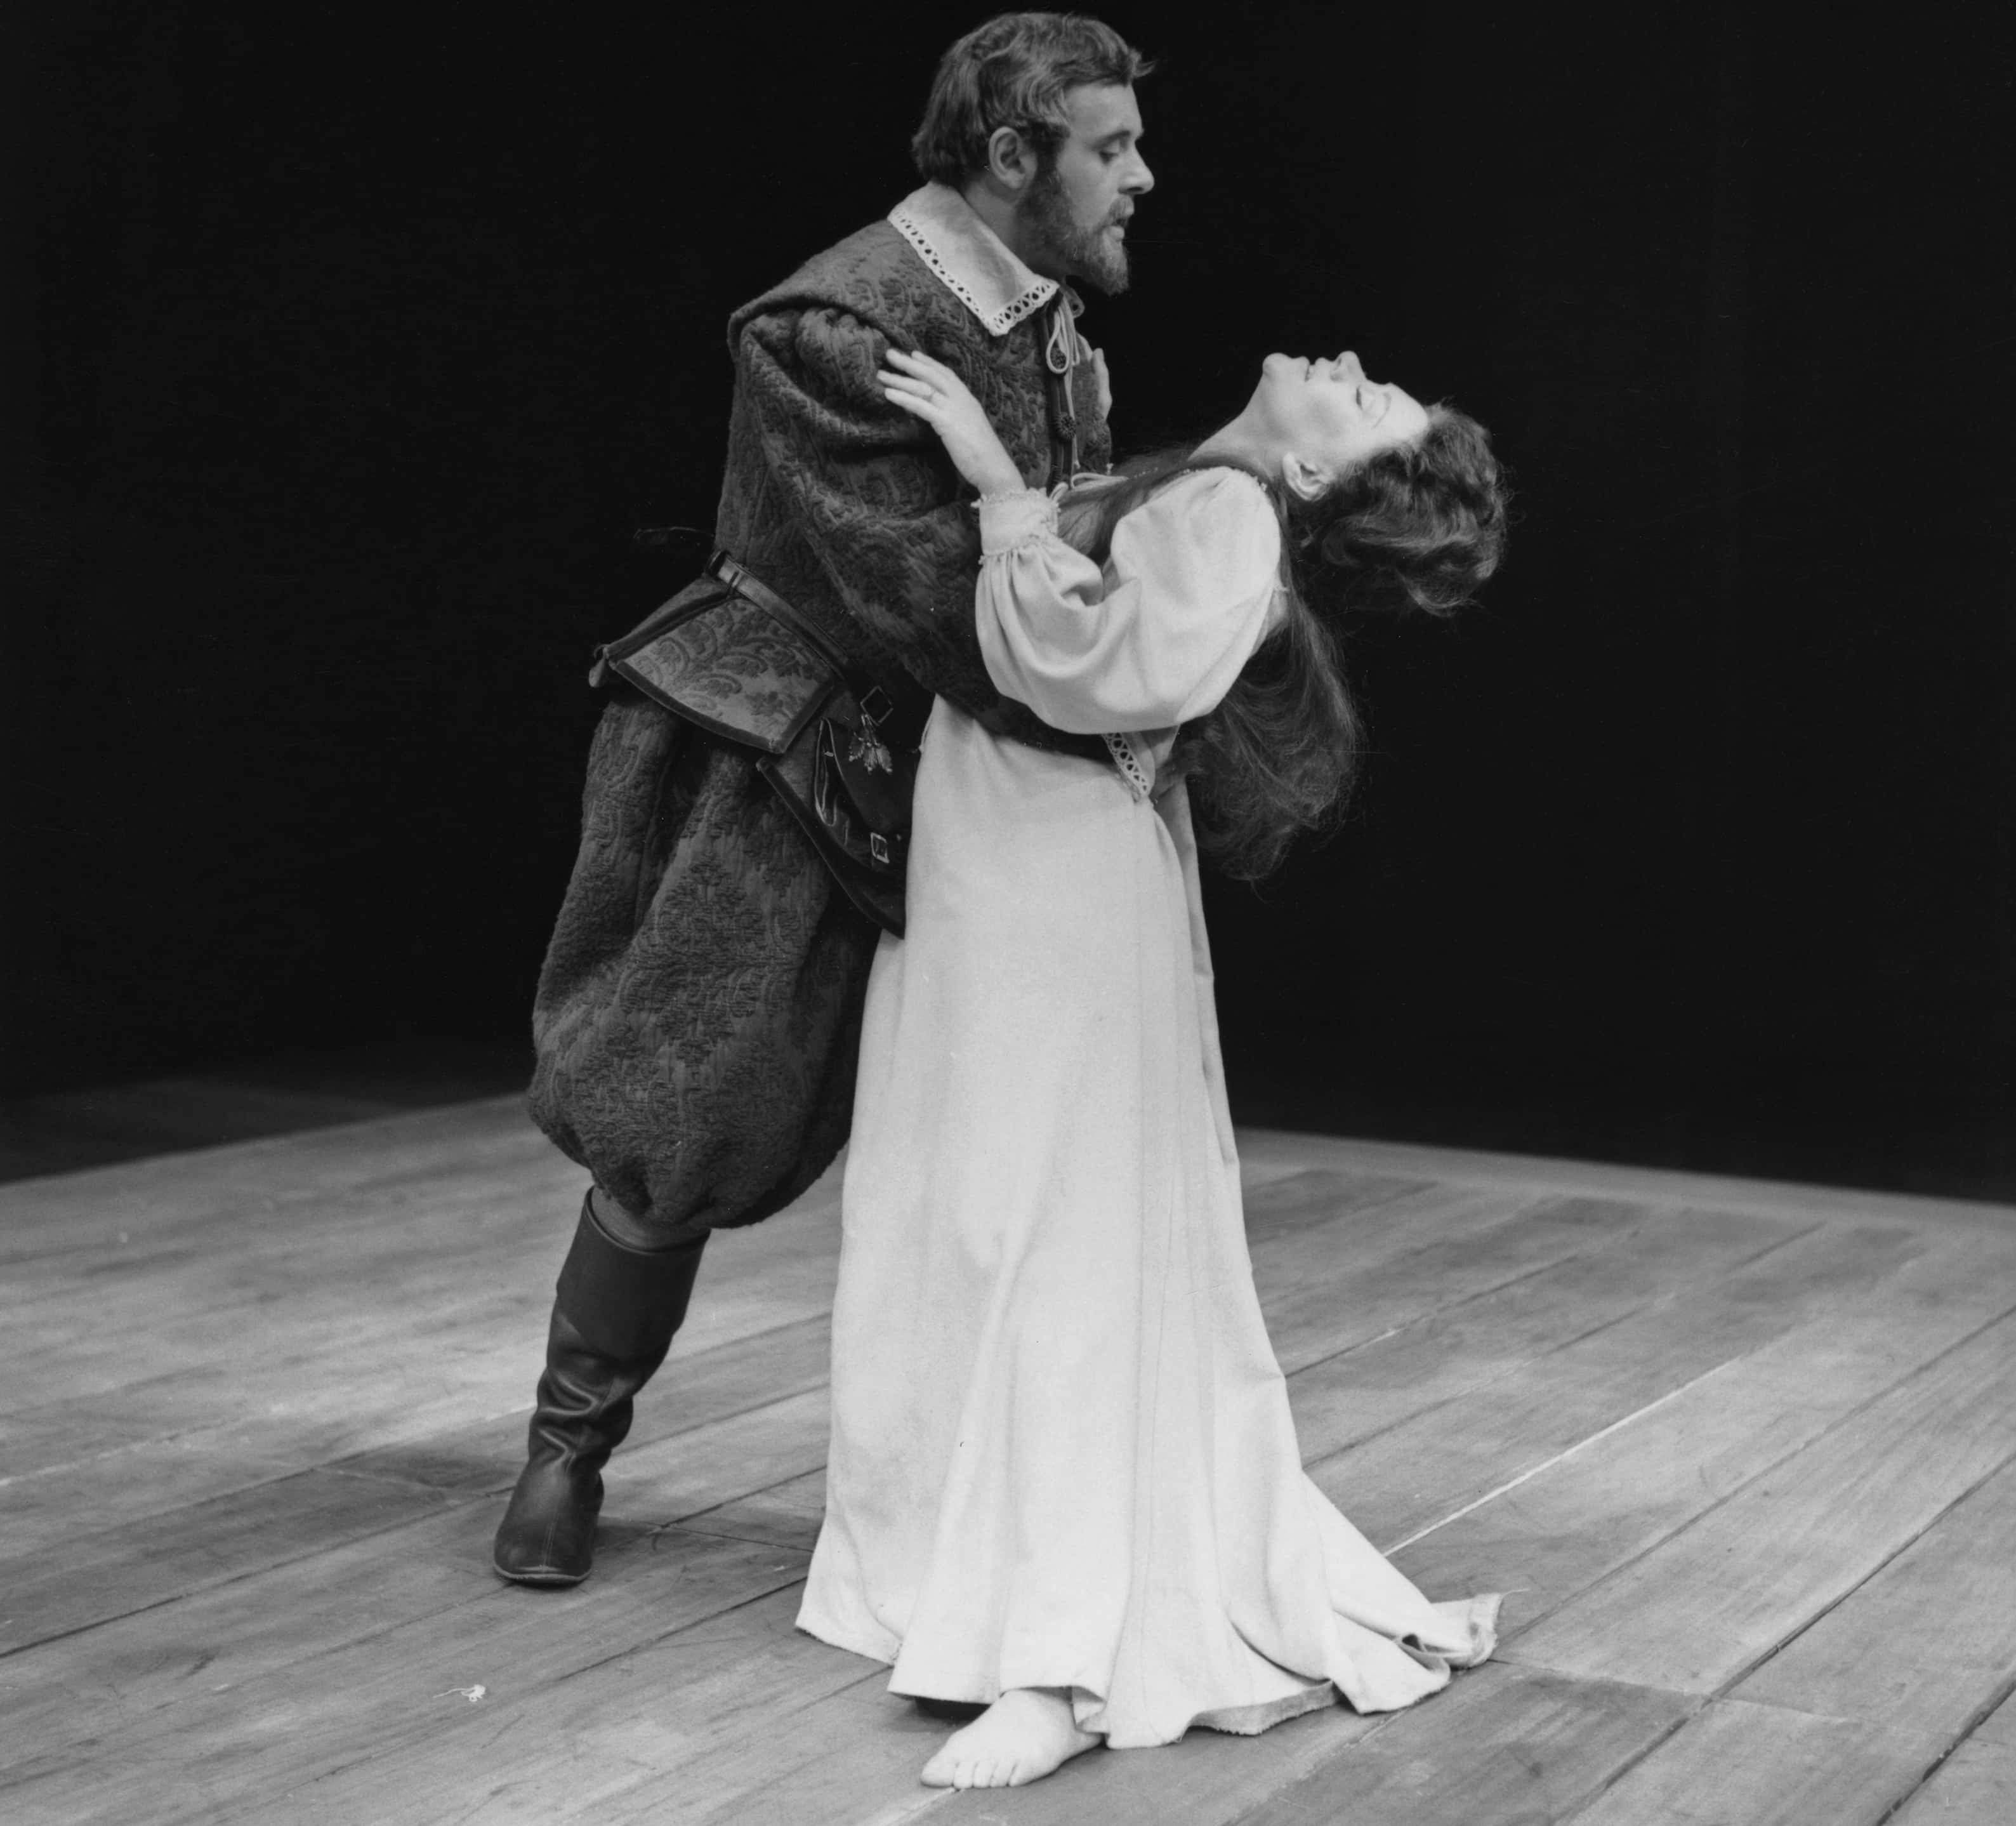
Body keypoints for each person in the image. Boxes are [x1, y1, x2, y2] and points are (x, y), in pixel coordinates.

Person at [494, 14, 1155, 1587]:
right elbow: (925, 592)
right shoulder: (839, 325)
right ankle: (564, 1445)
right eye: (1110, 147)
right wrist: (1133, 644)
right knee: (683, 1106)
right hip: (782, 759)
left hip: (960, 762)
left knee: (993, 1132)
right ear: (1012, 156)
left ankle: (987, 1504)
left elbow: (1041, 555)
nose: (1141, 177)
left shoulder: (1045, 315)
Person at [794, 343, 1511, 1788]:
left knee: (1050, 1250)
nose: (1356, 367)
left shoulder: (1235, 515)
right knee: (1004, 1227)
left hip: (1052, 882)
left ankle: (1062, 1658)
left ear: (1316, 471)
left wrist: (1003, 493)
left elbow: (1084, 667)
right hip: (1017, 863)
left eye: (1371, 403)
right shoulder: (1209, 490)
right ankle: (995, 1593)